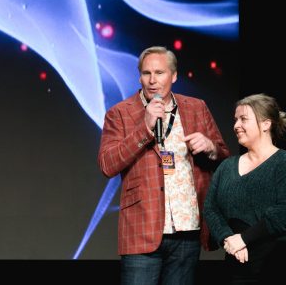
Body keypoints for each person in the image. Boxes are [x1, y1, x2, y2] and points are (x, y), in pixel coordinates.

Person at [98, 46, 230, 285]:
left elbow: (224, 158)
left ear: (174, 76)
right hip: (142, 229)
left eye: (159, 73)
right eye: (146, 73)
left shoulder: (196, 107)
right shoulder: (120, 114)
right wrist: (145, 128)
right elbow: (108, 165)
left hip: (187, 229)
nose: (152, 80)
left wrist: (211, 148)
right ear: (139, 77)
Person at [203, 93, 286, 284]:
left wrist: (244, 239)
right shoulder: (227, 166)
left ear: (266, 124)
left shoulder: (282, 162)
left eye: (243, 119)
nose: (236, 126)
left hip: (274, 263)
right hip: (236, 262)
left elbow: (283, 211)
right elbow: (211, 208)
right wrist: (228, 239)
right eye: (235, 120)